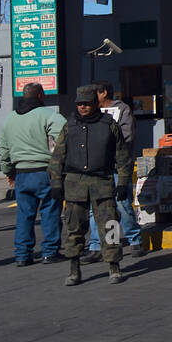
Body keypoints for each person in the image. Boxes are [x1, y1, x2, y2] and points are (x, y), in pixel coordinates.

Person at [49, 85, 134, 286]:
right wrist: (56, 184)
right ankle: (74, 268)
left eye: (87, 104)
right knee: (74, 228)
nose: (83, 107)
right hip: (75, 184)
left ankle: (114, 266)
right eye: (80, 104)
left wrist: (122, 182)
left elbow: (122, 156)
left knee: (110, 226)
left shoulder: (108, 125)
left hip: (102, 182)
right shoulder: (69, 126)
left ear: (95, 104)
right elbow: (56, 158)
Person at [0, 82, 67, 266]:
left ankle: (22, 255)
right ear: (40, 96)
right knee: (50, 211)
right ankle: (50, 252)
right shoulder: (49, 115)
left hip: (22, 174)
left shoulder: (10, 119)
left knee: (24, 215)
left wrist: (8, 171)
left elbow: (3, 149)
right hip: (45, 172)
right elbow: (65, 136)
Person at [85, 79, 146, 260]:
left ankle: (135, 241)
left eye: (94, 93)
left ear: (103, 93)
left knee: (122, 204)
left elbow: (126, 136)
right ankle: (97, 246)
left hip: (118, 165)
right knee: (95, 207)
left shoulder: (122, 110)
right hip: (97, 167)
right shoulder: (92, 112)